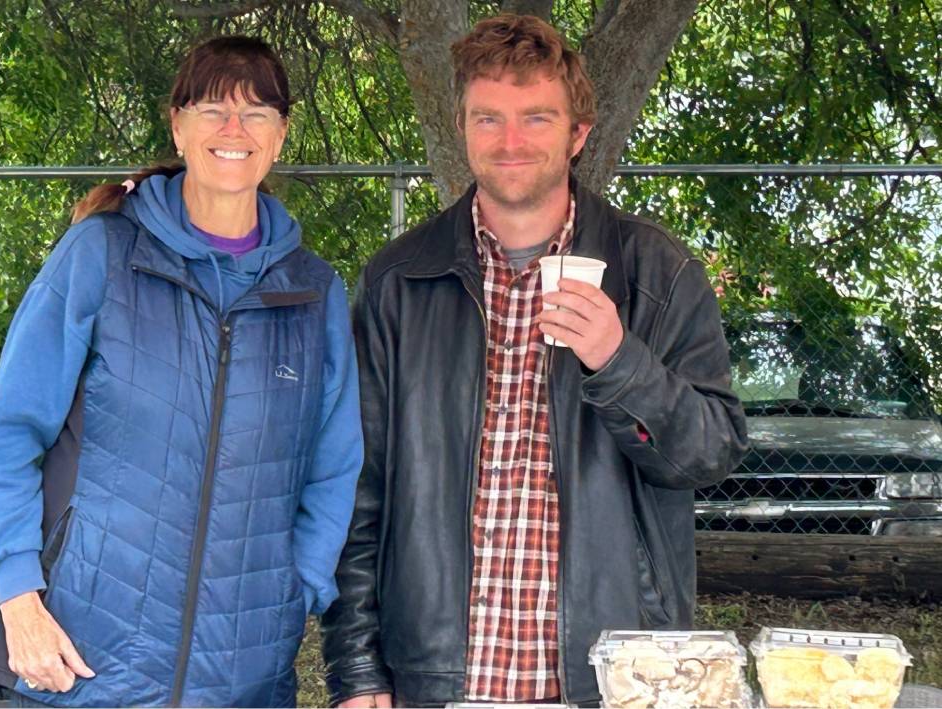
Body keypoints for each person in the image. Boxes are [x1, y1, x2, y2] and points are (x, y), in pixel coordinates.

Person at [320, 14, 748, 708]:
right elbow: (355, 490)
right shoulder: (400, 281)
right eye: (488, 118)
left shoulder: (657, 275)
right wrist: (358, 668)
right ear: (462, 127)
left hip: (616, 679)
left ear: (578, 134)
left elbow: (709, 453)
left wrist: (618, 361)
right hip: (437, 680)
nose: (510, 141)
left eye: (536, 118)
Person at [0, 35, 363, 708]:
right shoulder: (102, 255)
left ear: (281, 135)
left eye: (258, 111)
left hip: (245, 682)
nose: (234, 130)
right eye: (212, 108)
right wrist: (19, 600)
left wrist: (294, 593)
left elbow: (334, 469)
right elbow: (7, 439)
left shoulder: (313, 292)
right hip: (81, 668)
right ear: (177, 125)